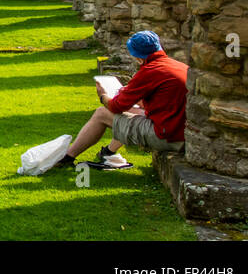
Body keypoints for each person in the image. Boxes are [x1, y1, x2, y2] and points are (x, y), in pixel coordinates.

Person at [52, 30, 188, 171]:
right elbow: (164, 102)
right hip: (180, 130)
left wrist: (103, 96)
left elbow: (116, 106)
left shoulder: (149, 71)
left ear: (137, 57)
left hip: (167, 136)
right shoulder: (177, 66)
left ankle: (67, 157)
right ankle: (108, 152)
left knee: (102, 113)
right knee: (130, 111)